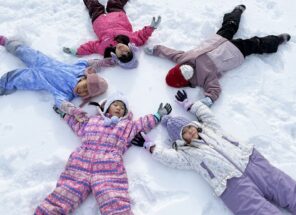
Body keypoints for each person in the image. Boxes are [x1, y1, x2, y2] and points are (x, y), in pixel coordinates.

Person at [132, 90, 296, 215]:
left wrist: (191, 105)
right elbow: (169, 158)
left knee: (285, 188)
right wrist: (151, 147)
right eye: (185, 134)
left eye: (189, 128)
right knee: (257, 210)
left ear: (194, 125)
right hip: (230, 185)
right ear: (181, 140)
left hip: (249, 161)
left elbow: (207, 116)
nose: (190, 133)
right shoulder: (187, 154)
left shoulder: (211, 130)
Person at [34, 92, 172, 215]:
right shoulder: (92, 120)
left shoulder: (127, 126)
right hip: (81, 161)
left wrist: (158, 115)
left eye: (122, 108)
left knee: (113, 197)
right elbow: (76, 123)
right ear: (107, 107)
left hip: (109, 166)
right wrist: (64, 114)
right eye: (116, 104)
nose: (119, 108)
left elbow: (142, 124)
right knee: (66, 192)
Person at [144, 5, 291, 107]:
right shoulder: (203, 78)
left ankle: (236, 12)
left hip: (217, 40)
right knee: (255, 43)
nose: (186, 69)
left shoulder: (183, 58)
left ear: (178, 67)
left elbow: (168, 52)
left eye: (181, 69)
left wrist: (155, 49)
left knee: (229, 25)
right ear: (186, 82)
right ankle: (277, 40)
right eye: (184, 75)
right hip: (233, 52)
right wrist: (209, 99)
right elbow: (214, 89)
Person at [0, 35, 110, 113]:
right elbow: (88, 63)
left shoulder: (66, 94)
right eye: (85, 86)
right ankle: (7, 42)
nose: (82, 90)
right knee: (23, 51)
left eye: (86, 93)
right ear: (85, 79)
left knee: (14, 78)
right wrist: (103, 62)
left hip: (36, 79)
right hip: (42, 61)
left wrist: (71, 109)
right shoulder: (79, 70)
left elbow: (61, 103)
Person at [63, 0, 161, 69]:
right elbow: (142, 35)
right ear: (131, 49)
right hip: (117, 14)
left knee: (93, 5)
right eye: (128, 52)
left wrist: (77, 51)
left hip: (99, 18)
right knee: (114, 2)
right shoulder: (132, 40)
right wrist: (152, 27)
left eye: (122, 55)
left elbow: (91, 47)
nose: (123, 51)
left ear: (116, 56)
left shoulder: (104, 48)